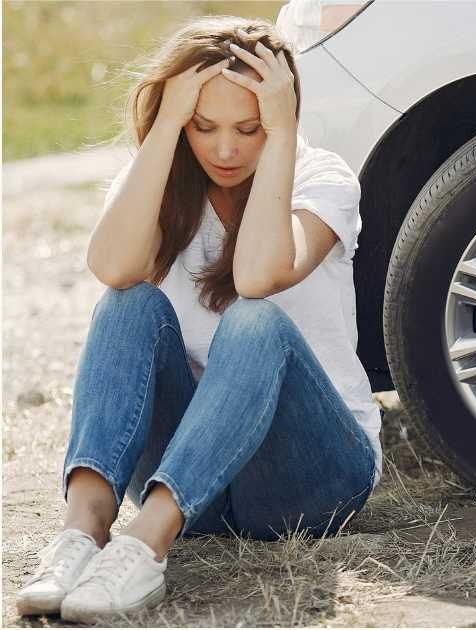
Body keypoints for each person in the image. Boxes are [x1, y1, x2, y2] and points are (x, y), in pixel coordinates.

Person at [15, 16, 381, 624]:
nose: (226, 149)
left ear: (280, 116)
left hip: (312, 474)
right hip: (194, 483)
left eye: (249, 127)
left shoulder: (322, 179)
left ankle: (143, 546)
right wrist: (164, 125)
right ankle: (80, 536)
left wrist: (284, 131)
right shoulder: (157, 182)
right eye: (204, 127)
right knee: (127, 301)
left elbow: (259, 276)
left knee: (255, 320)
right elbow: (111, 266)